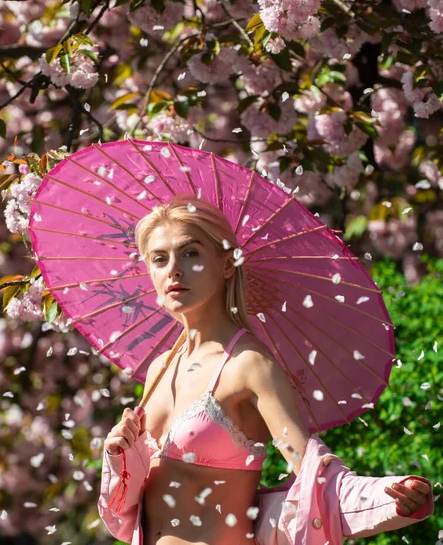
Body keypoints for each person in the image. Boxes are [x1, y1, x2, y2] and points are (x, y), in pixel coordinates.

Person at [98, 193, 433, 545]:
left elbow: (313, 472)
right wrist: (120, 454)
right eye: (159, 259)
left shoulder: (249, 365)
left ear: (227, 264)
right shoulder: (160, 369)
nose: (174, 270)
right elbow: (135, 506)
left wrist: (388, 495)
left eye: (191, 253)